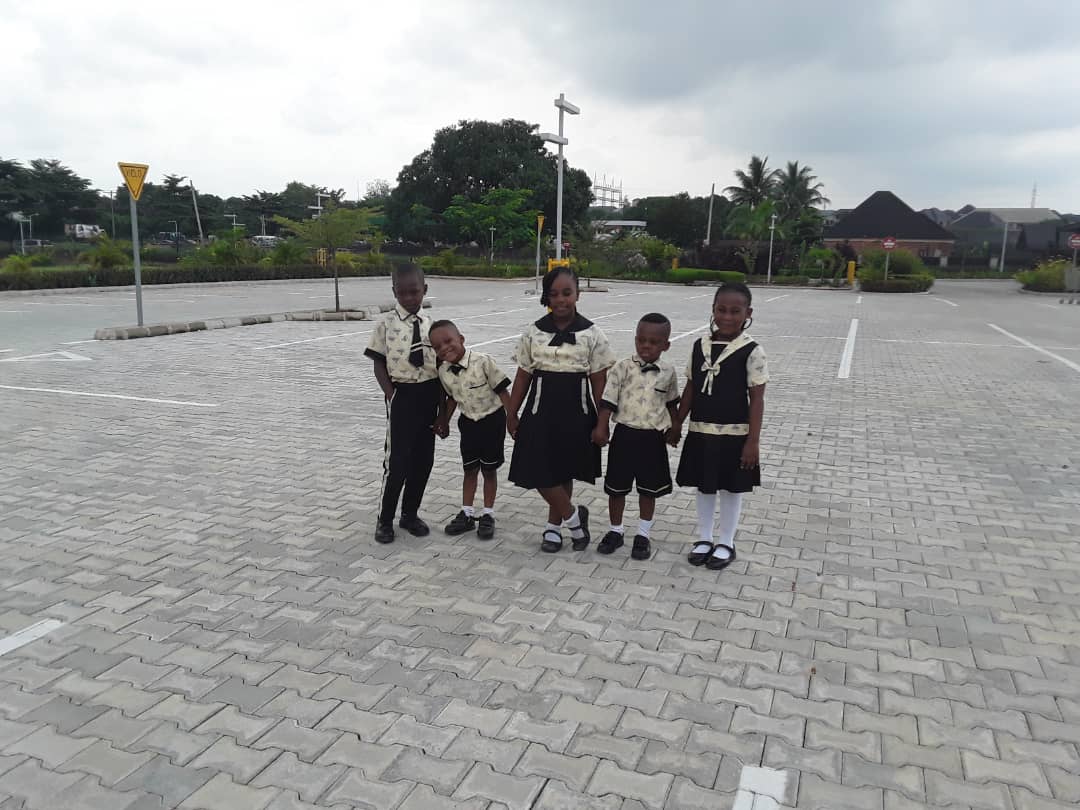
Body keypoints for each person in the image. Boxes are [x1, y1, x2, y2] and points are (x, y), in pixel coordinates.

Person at [507, 266, 615, 553]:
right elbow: (522, 376)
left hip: (576, 413)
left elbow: (599, 383)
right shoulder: (534, 332)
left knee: (563, 470)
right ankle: (575, 519)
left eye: (567, 293)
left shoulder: (592, 334)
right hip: (539, 412)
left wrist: (602, 422)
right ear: (547, 297)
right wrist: (512, 412)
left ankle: (553, 528)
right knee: (536, 469)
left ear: (577, 294)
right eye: (554, 294)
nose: (561, 300)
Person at [671, 282, 768, 571]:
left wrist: (753, 441)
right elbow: (691, 387)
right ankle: (704, 537)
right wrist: (678, 422)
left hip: (735, 435)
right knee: (704, 486)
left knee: (731, 488)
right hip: (701, 431)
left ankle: (726, 541)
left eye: (735, 311)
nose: (727, 317)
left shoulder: (751, 350)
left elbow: (757, 399)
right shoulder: (699, 346)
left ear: (748, 313)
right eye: (721, 310)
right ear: (713, 310)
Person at [591, 313, 681, 561]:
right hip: (625, 435)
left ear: (666, 345)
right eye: (641, 340)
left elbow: (672, 402)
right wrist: (601, 427)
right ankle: (615, 530)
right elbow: (608, 400)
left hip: (653, 439)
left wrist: (675, 427)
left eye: (653, 342)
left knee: (648, 490)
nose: (646, 346)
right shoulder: (622, 367)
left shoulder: (668, 371)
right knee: (616, 488)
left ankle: (643, 534)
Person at [364, 263, 442, 544]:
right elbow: (378, 364)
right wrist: (392, 395)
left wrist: (443, 411)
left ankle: (410, 514)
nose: (409, 297)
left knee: (423, 460)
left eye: (414, 291)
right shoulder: (385, 324)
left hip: (429, 396)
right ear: (394, 291)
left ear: (425, 290)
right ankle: (385, 519)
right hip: (402, 396)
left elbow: (442, 368)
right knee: (397, 462)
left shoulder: (433, 325)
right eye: (402, 292)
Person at [430, 319, 512, 540]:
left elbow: (503, 392)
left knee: (489, 470)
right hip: (468, 424)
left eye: (448, 341)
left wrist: (513, 419)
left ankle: (488, 514)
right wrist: (444, 421)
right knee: (469, 469)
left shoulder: (483, 362)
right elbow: (452, 399)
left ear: (461, 339)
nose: (444, 348)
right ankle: (466, 513)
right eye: (437, 346)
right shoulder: (444, 371)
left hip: (492, 421)